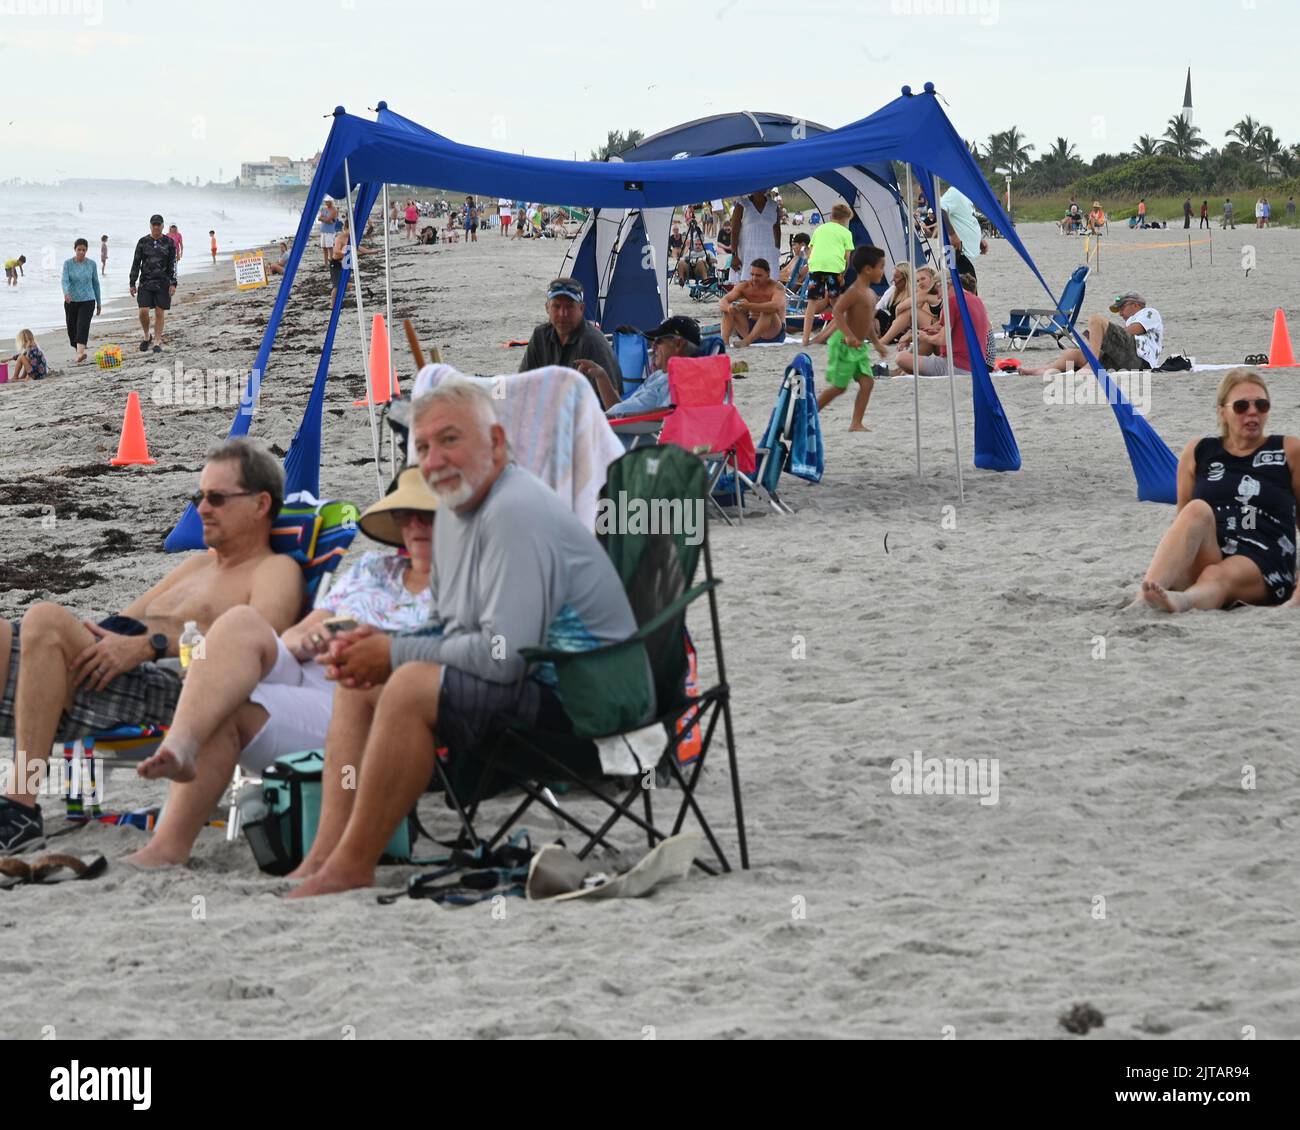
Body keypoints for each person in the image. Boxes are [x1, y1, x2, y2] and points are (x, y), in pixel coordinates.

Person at [286, 381, 644, 897]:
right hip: (540, 680)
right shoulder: (459, 511)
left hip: (590, 707)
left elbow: (502, 657)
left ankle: (352, 864)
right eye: (424, 447)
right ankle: (325, 854)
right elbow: (453, 627)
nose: (434, 460)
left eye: (450, 440)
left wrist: (394, 653)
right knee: (362, 681)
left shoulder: (513, 512)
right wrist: (375, 641)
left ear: (496, 444)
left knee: (408, 684)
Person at [123, 468, 438, 868]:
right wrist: (312, 638)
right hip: (310, 669)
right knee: (240, 621)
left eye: (428, 514)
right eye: (407, 514)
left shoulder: (462, 583)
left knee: (225, 710)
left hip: (361, 699)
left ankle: (167, 845)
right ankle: (180, 746)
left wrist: (374, 641)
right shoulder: (373, 569)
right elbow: (294, 635)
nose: (416, 525)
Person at [0, 439, 303, 852]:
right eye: (199, 496)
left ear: (260, 504)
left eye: (216, 498)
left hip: (175, 686)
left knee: (45, 618)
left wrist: (151, 646)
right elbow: (124, 620)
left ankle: (19, 807)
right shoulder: (197, 564)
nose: (202, 509)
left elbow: (263, 647)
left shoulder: (274, 569)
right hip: (116, 667)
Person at [1131, 369, 1299, 614]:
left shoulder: (1288, 450)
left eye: (1261, 405)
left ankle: (1183, 602)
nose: (1253, 412)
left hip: (1262, 553)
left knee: (1216, 574)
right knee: (1196, 509)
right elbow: (1183, 523)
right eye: (1242, 406)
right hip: (1213, 547)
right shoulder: (1199, 451)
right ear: (1223, 412)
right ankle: (1143, 599)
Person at [817, 246, 891, 431]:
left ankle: (856, 423)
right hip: (844, 344)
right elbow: (837, 311)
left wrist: (877, 344)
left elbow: (868, 323)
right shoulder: (855, 291)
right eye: (881, 267)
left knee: (867, 383)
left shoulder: (871, 294)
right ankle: (809, 414)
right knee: (839, 387)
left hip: (858, 347)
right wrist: (849, 336)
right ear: (868, 269)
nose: (883, 271)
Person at [576, 315, 701, 417]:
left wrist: (612, 418)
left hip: (628, 439)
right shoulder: (658, 376)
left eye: (658, 341)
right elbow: (617, 408)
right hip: (615, 428)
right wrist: (601, 375)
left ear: (678, 344)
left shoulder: (680, 379)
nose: (653, 346)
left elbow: (669, 414)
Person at [519, 277, 623, 394]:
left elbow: (612, 404)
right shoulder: (540, 336)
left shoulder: (592, 342)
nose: (563, 313)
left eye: (569, 307)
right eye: (556, 306)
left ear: (581, 308)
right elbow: (522, 384)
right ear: (547, 308)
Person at [1020, 292, 1162, 377]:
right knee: (1072, 354)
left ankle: (1091, 366)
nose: (1120, 313)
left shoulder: (1149, 313)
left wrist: (1103, 337)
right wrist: (1100, 340)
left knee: (1096, 320)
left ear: (1136, 305)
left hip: (1140, 360)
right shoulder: (1132, 320)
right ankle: (1045, 370)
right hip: (1123, 361)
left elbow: (1132, 331)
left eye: (1122, 308)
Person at [895, 273, 991, 378]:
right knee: (924, 345)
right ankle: (905, 371)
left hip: (957, 366)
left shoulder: (952, 301)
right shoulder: (977, 300)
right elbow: (960, 333)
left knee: (901, 358)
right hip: (978, 366)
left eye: (937, 290)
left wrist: (925, 337)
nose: (937, 295)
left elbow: (943, 339)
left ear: (947, 284)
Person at [801, 203, 856, 344]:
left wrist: (811, 266)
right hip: (834, 267)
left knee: (812, 302)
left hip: (816, 266)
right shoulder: (846, 233)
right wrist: (842, 275)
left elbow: (810, 251)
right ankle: (845, 335)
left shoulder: (819, 229)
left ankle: (805, 338)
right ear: (845, 220)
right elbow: (847, 257)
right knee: (836, 303)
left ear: (831, 216)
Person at [128, 214, 177, 355]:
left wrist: (173, 283)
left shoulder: (169, 242)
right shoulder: (143, 242)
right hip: (145, 282)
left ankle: (157, 341)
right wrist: (132, 282)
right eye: (154, 224)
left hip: (163, 282)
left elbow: (173, 264)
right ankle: (146, 336)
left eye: (159, 224)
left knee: (159, 312)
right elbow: (136, 263)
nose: (156, 227)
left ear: (162, 226)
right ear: (150, 226)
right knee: (143, 310)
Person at [719, 258, 786, 348]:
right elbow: (723, 300)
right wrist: (729, 308)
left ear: (768, 274)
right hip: (749, 328)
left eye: (758, 275)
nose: (754, 278)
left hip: (772, 331)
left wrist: (749, 306)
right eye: (752, 275)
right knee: (729, 309)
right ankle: (724, 343)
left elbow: (776, 306)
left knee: (768, 309)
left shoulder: (776, 287)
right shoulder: (745, 286)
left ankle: (747, 341)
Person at [728, 189, 781, 285]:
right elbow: (734, 231)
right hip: (747, 254)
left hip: (769, 253)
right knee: (746, 286)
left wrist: (777, 249)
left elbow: (777, 228)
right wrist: (734, 255)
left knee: (769, 286)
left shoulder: (774, 206)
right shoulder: (742, 205)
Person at [60, 238, 102, 363]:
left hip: (88, 300)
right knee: (71, 328)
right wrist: (66, 293)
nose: (82, 252)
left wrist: (99, 302)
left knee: (82, 325)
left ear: (87, 250)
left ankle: (80, 353)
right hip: (71, 300)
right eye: (79, 250)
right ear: (75, 249)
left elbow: (96, 283)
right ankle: (78, 349)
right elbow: (64, 280)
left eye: (84, 250)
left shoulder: (92, 264)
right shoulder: (68, 264)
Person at [936, 184, 987, 280]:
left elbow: (965, 220)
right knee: (957, 291)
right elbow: (940, 209)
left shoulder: (966, 196)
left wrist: (979, 241)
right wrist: (952, 234)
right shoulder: (955, 192)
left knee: (968, 292)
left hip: (964, 256)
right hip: (954, 253)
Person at [319, 198, 340, 267]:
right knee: (324, 247)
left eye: (327, 202)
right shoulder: (324, 209)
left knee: (330, 247)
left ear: (331, 202)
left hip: (330, 231)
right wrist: (326, 219)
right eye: (326, 202)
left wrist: (324, 219)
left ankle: (331, 262)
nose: (326, 203)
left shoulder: (334, 210)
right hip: (323, 230)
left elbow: (329, 219)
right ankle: (325, 263)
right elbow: (319, 218)